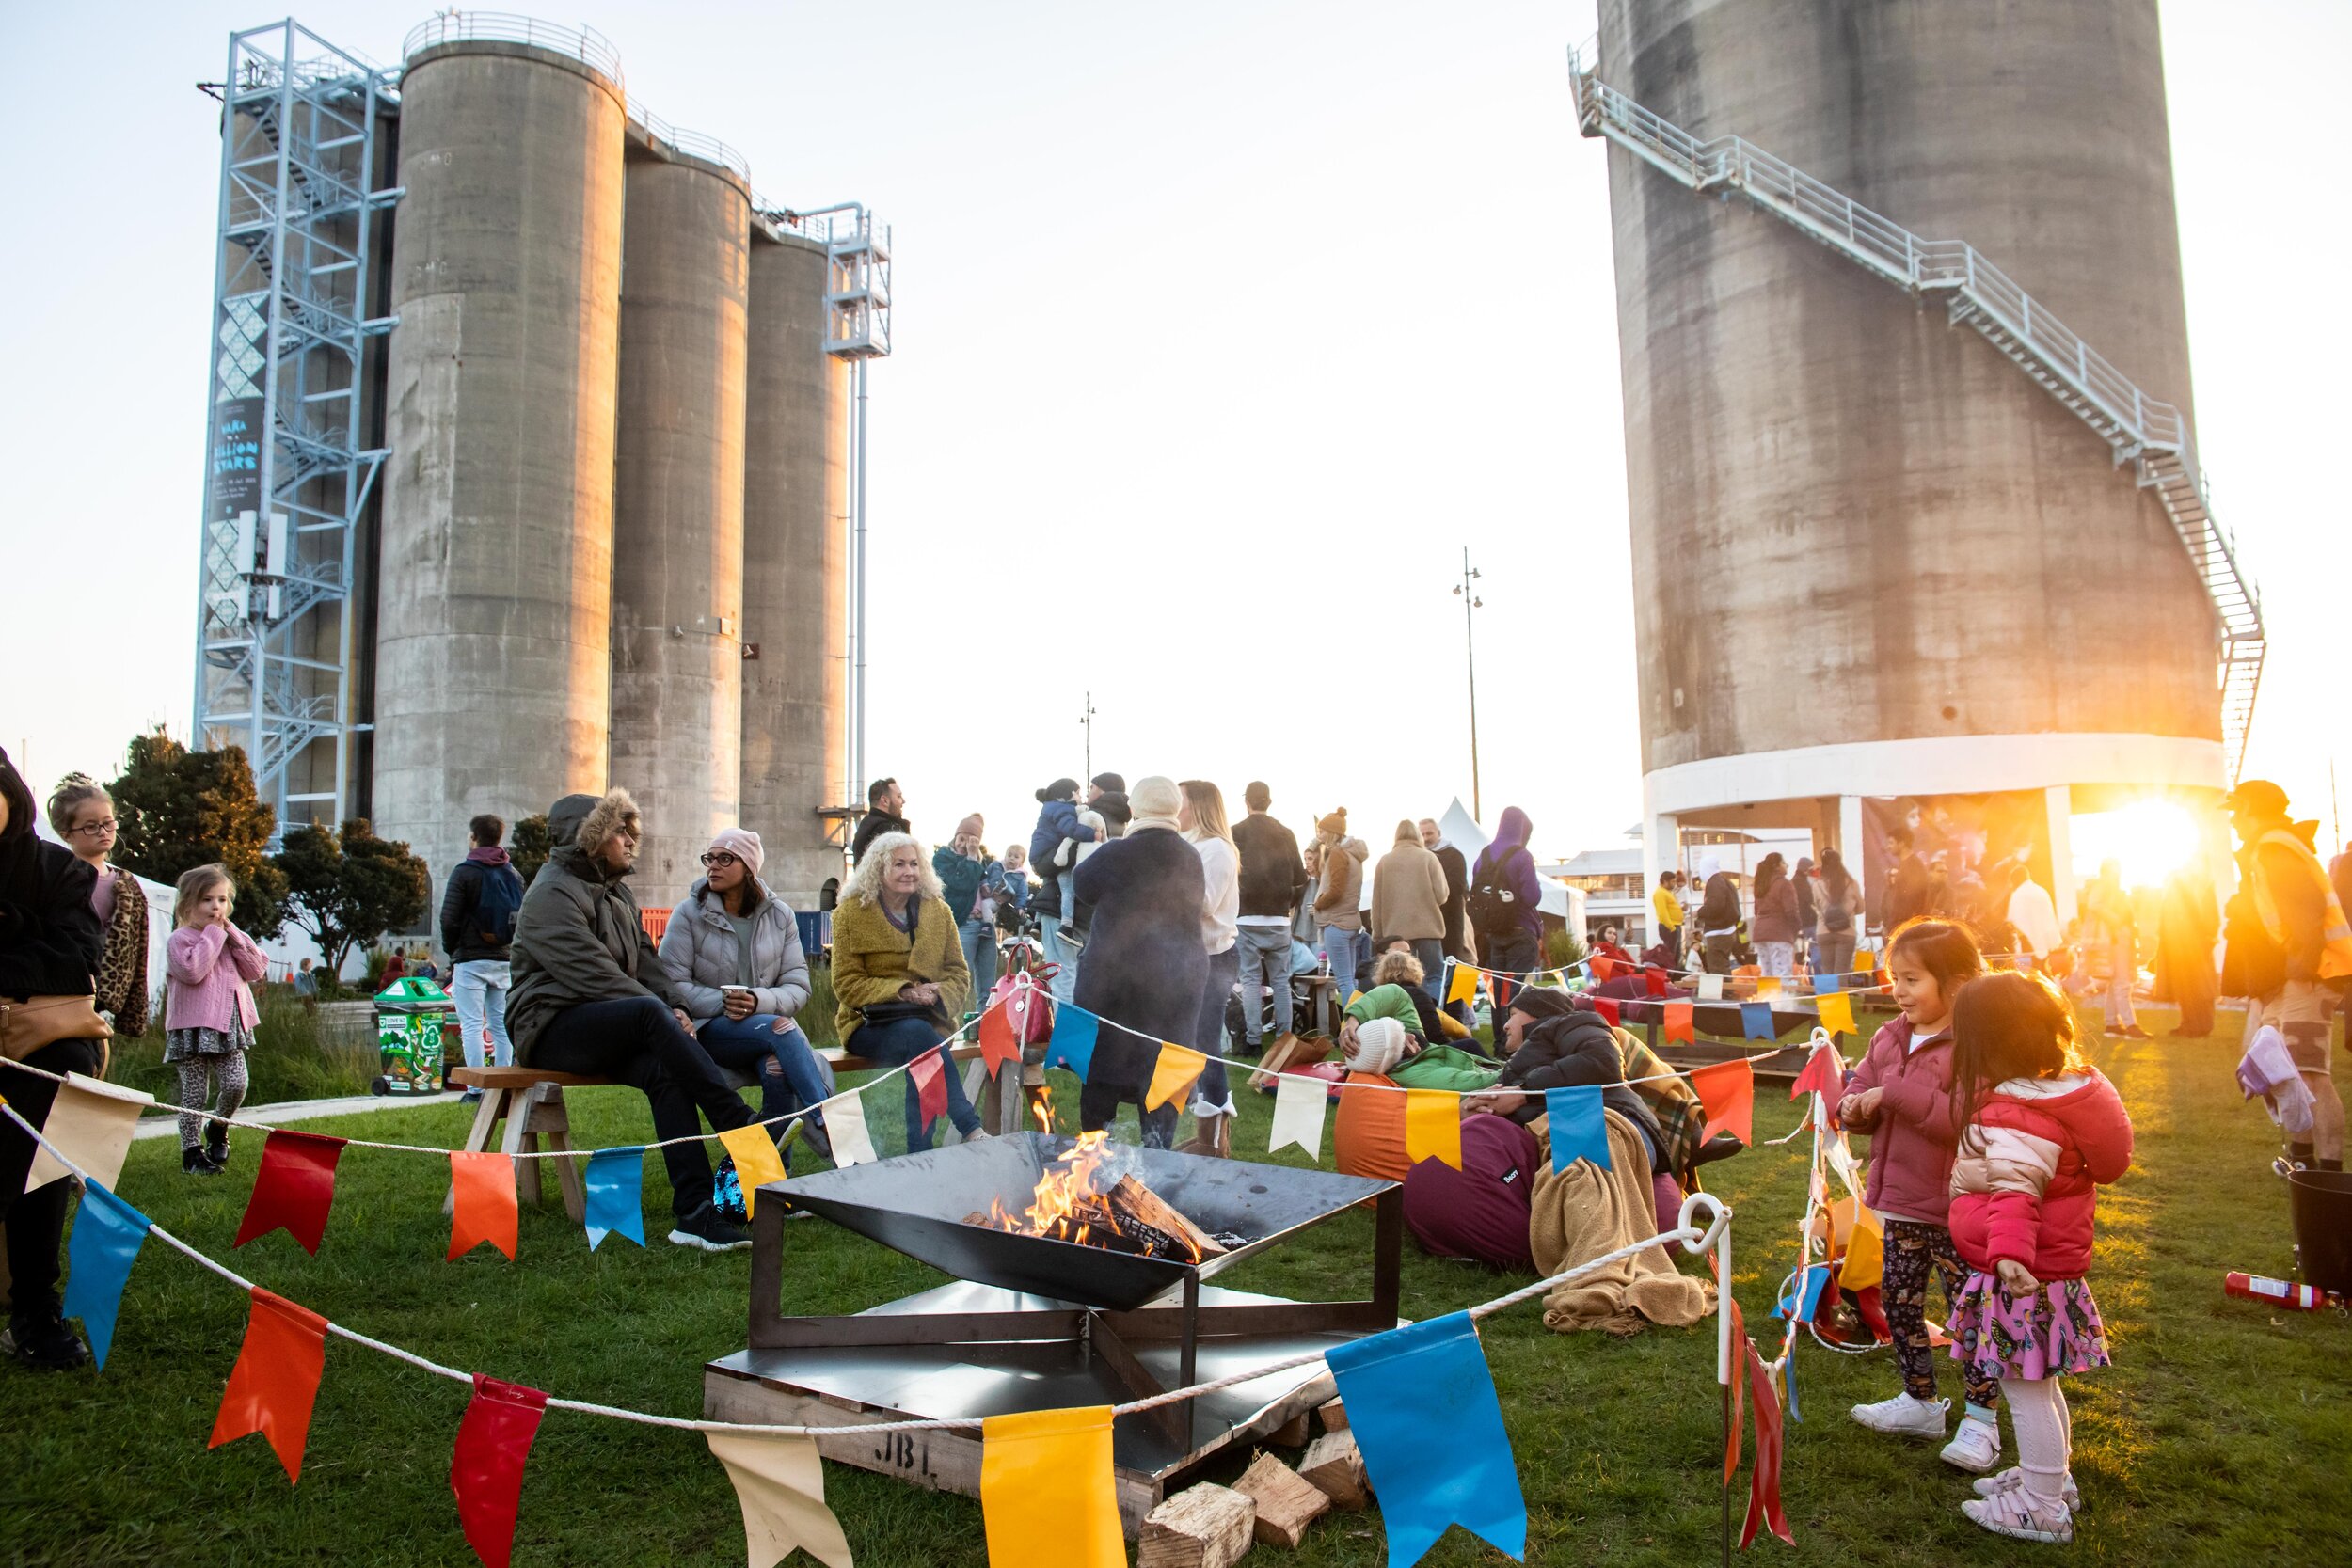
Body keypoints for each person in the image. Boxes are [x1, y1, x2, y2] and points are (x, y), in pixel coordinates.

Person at [506, 788, 760, 1252]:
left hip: (604, 1019)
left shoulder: (616, 892)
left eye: (629, 829)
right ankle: (740, 1122)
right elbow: (595, 975)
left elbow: (647, 962)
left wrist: (677, 1008)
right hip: (548, 1025)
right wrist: (661, 1013)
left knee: (667, 1072)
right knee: (647, 1013)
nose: (629, 839)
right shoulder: (549, 893)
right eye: (619, 830)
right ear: (591, 836)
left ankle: (696, 1215)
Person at [1946, 971, 2135, 1544]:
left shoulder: (2014, 1111)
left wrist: (2005, 1257)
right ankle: (2050, 1478)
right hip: (2052, 1270)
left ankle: (2042, 1507)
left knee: (2023, 1389)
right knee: (2040, 1385)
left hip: (2022, 1277)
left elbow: (2014, 1193)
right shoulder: (2074, 1089)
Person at [1837, 919, 2001, 1470]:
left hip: (1959, 1209)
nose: (1898, 992)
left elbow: (1964, 1119)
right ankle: (1919, 1400)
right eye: (1894, 978)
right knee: (1899, 1305)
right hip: (1900, 1202)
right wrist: (1853, 1105)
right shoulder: (1890, 1036)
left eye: (1911, 979)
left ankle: (1983, 1421)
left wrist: (1894, 1095)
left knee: (1971, 1317)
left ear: (1954, 985)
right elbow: (1861, 1083)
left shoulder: (1978, 1046)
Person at [0, 745, 107, 1370]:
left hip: (39, 1045)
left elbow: (75, 962)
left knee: (51, 1097)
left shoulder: (57, 871)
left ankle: (34, 1308)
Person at [660, 828, 834, 1164]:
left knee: (775, 1067)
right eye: (710, 858)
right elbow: (671, 983)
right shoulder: (689, 913)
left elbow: (798, 985)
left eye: (726, 858)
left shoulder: (780, 915)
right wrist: (725, 1005)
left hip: (764, 1032)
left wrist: (757, 1001)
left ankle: (771, 1185)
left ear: (749, 867)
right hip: (708, 1028)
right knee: (781, 1027)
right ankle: (824, 1122)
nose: (713, 866)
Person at [2223, 779, 2352, 1170]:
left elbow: (2307, 915)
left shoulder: (2275, 848)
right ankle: (2303, 1164)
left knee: (2310, 1075)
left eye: (2236, 810)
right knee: (2286, 1073)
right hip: (2288, 979)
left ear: (2250, 808)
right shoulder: (2270, 847)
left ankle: (2327, 1173)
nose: (2232, 821)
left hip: (2306, 978)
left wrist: (2300, 967)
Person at [1072, 777, 1207, 1148]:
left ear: (1136, 809)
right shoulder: (1190, 856)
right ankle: (1157, 1162)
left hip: (1118, 978)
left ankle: (1095, 1162)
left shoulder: (1117, 852)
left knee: (1103, 1074)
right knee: (1161, 1074)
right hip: (1175, 979)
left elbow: (1082, 886)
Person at [832, 833, 986, 1150]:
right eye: (899, 864)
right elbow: (846, 983)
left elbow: (958, 972)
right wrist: (902, 992)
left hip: (926, 1021)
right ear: (878, 869)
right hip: (867, 1024)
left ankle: (920, 1154)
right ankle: (966, 1125)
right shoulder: (850, 913)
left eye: (914, 864)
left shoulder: (938, 911)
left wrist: (937, 994)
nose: (909, 872)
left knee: (920, 1043)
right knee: (920, 1038)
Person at [164, 864, 267, 1177]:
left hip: (229, 1025)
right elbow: (192, 972)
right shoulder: (179, 940)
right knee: (195, 1093)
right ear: (188, 904)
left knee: (237, 1083)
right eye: (207, 900)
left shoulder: (231, 936)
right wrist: (213, 935)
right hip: (191, 1027)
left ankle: (218, 1126)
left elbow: (255, 970)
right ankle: (191, 1154)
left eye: (222, 900)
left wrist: (234, 937)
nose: (216, 907)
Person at [47, 776, 149, 1041]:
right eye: (91, 827)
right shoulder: (56, 877)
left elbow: (138, 952)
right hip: (61, 992)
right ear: (67, 833)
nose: (103, 832)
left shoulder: (127, 885)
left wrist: (133, 1013)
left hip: (105, 997)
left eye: (108, 823)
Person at [439, 812, 525, 1102]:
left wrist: (453, 951)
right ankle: (502, 1086)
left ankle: (475, 1091)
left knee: (473, 1025)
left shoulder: (464, 872)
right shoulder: (513, 875)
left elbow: (449, 919)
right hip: (503, 959)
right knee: (501, 1025)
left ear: (474, 837)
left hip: (471, 959)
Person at [1180, 780, 1241, 1155]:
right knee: (1186, 1042)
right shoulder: (1189, 844)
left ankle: (1215, 1143)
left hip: (1213, 958)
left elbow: (1204, 903)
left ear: (1198, 806)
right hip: (1187, 956)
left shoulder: (1217, 849)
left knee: (1205, 1043)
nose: (1174, 806)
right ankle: (1204, 1133)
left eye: (1180, 800)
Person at [1234, 782, 1309, 1057]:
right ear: (1270, 801)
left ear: (1247, 802)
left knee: (1251, 980)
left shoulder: (1236, 832)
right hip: (1278, 918)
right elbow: (1301, 878)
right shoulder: (1286, 833)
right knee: (1280, 981)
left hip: (1247, 917)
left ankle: (1253, 1041)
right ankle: (1284, 1041)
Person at [1027, 779, 1101, 1006]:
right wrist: (1092, 835)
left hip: (1043, 858)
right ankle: (1071, 1033)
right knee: (1068, 977)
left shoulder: (1050, 808)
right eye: (1080, 792)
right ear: (1070, 793)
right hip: (1047, 857)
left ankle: (1037, 923)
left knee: (1064, 977)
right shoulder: (1064, 810)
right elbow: (1070, 829)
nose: (1083, 797)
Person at [1372, 818, 1451, 989]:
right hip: (1428, 929)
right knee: (1434, 975)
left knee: (1400, 978)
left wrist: (1377, 934)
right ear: (1417, 835)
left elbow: (1376, 902)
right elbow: (1442, 896)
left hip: (1396, 933)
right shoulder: (1429, 858)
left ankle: (1405, 1011)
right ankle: (1430, 1011)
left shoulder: (1384, 861)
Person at [1470, 806, 1545, 986]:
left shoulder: (1484, 855)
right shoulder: (1522, 855)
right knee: (1515, 992)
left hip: (1494, 934)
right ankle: (1513, 1015)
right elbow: (1532, 897)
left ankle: (1500, 1016)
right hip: (1520, 930)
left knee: (1497, 992)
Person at [934, 815, 1008, 996]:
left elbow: (980, 886)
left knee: (989, 988)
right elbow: (962, 884)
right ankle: (953, 1022)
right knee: (958, 982)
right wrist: (972, 856)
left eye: (971, 841)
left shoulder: (978, 861)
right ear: (954, 837)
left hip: (985, 924)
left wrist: (996, 895)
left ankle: (985, 1022)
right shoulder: (942, 858)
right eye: (961, 839)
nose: (964, 845)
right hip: (963, 924)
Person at [2079, 860, 2149, 1039]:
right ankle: (2131, 1025)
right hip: (2115, 938)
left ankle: (2112, 1024)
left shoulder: (2111, 887)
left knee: (2115, 981)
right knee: (2122, 983)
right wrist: (2116, 921)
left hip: (2117, 937)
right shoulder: (2103, 885)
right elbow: (2095, 904)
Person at [2153, 865, 2219, 1039]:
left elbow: (2206, 919)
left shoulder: (2193, 892)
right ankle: (2191, 1024)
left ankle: (2198, 1025)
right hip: (2181, 948)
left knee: (2197, 989)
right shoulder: (2182, 893)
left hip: (2191, 948)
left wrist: (2206, 940)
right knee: (2187, 989)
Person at [1311, 809, 1370, 995]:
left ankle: (1349, 1023)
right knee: (1350, 979)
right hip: (1351, 920)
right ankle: (1356, 1022)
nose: (1319, 835)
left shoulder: (1338, 854)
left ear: (1330, 832)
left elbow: (1336, 890)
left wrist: (1318, 903)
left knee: (1344, 981)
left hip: (1336, 922)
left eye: (1322, 831)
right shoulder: (1353, 854)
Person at [1421, 818, 1472, 976]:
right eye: (1422, 834)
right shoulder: (1421, 857)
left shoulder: (1454, 856)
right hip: (1428, 922)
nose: (1426, 838)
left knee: (1452, 965)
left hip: (1450, 919)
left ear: (1439, 833)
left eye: (1429, 833)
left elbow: (1457, 888)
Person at [2004, 861, 2062, 974]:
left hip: (2027, 949)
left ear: (2015, 880)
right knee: (2046, 978)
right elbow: (2050, 919)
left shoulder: (2017, 895)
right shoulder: (2042, 892)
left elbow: (2012, 924)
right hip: (2045, 946)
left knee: (2030, 981)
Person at [1752, 853, 1800, 977]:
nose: (1787, 866)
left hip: (1760, 933)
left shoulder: (1761, 884)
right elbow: (1791, 911)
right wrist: (1796, 929)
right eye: (1784, 863)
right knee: (1782, 972)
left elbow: (1756, 910)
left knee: (1767, 973)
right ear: (1776, 866)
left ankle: (1767, 996)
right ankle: (1783, 997)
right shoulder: (1784, 884)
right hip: (1779, 932)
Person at [1693, 856, 1742, 975]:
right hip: (1728, 930)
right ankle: (1727, 992)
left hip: (1718, 933)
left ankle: (1725, 993)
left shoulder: (1714, 883)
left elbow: (1715, 906)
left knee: (1717, 968)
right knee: (1723, 967)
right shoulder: (1725, 882)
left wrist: (1698, 913)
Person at [1816, 848, 1860, 976]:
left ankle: (1829, 996)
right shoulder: (1851, 883)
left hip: (1823, 931)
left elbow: (1818, 908)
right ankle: (1840, 995)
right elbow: (1861, 907)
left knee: (1828, 973)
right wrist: (1848, 912)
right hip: (1846, 931)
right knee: (1841, 973)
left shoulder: (1817, 885)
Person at [850, 776, 909, 866]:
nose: (903, 801)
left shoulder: (865, 826)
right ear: (884, 801)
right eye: (899, 796)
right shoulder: (888, 829)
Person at [1884, 825, 1934, 932]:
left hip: (1907, 927)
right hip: (1902, 925)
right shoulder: (1905, 864)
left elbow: (1913, 900)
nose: (1888, 847)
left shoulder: (1913, 866)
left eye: (1891, 843)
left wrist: (1901, 926)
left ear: (1902, 844)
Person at [1650, 870, 1685, 963]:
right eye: (1672, 882)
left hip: (1675, 925)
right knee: (1670, 956)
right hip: (1669, 927)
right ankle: (1669, 976)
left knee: (1676, 956)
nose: (1674, 884)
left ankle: (1674, 975)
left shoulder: (1667, 892)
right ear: (1665, 882)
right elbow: (1662, 913)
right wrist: (1672, 928)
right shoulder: (1660, 893)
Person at [1792, 856, 1820, 969]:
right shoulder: (1803, 883)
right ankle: (1814, 978)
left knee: (1801, 955)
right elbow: (1811, 902)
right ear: (1806, 869)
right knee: (1816, 953)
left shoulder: (1792, 882)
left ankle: (1804, 977)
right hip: (1810, 923)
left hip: (1798, 925)